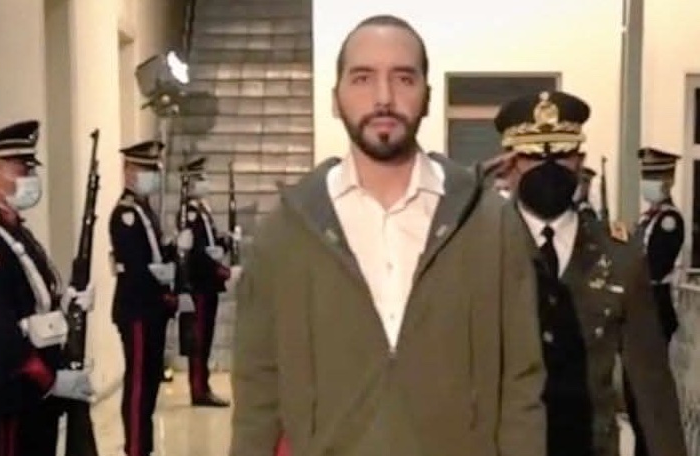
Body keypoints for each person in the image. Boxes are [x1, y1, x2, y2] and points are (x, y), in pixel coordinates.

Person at [231, 14, 545, 456]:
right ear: (335, 98)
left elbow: (521, 385)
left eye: (403, 78)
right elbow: (257, 392)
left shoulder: (489, 224)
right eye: (362, 78)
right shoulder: (285, 233)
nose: (383, 97)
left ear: (427, 96)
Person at [493, 90, 686, 456]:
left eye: (561, 153)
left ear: (580, 160)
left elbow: (650, 385)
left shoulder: (620, 254)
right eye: (534, 156)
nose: (548, 167)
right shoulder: (482, 248)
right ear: (510, 164)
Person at [0, 120, 94, 456]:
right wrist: (49, 379)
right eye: (22, 168)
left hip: (36, 393)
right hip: (9, 392)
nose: (31, 177)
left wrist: (68, 303)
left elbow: (34, 298)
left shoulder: (13, 229)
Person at [109, 139, 189, 456]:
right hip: (138, 309)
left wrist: (175, 248)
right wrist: (166, 295)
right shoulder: (125, 214)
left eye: (154, 170)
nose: (151, 176)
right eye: (145, 169)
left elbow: (156, 253)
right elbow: (138, 268)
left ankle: (144, 444)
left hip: (151, 309)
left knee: (150, 381)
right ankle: (136, 448)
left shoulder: (144, 211)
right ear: (129, 171)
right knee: (139, 383)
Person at [626, 147, 685, 456]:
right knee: (634, 393)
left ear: (669, 180)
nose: (648, 183)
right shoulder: (649, 218)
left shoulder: (669, 220)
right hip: (641, 310)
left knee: (648, 391)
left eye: (654, 176)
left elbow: (654, 266)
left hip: (654, 309)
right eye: (646, 176)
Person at [177, 156, 231, 407]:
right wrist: (222, 272)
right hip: (198, 284)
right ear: (190, 183)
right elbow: (197, 254)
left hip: (208, 285)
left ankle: (203, 384)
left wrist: (225, 242)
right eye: (200, 178)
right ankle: (198, 388)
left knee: (206, 337)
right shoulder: (189, 214)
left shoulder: (202, 210)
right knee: (198, 340)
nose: (205, 182)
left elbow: (210, 244)